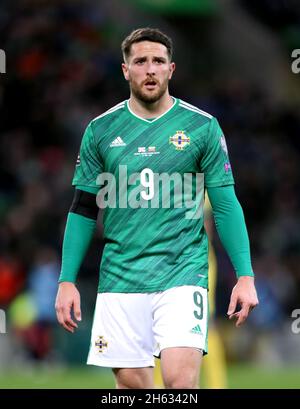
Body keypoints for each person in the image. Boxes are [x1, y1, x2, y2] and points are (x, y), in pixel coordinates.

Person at [55, 27, 259, 389]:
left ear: (171, 69)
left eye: (158, 61)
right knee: (133, 386)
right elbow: (83, 208)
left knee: (180, 384)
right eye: (141, 61)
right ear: (125, 69)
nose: (150, 69)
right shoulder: (101, 130)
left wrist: (245, 275)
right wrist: (66, 279)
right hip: (121, 274)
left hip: (182, 271)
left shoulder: (202, 127)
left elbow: (226, 205)